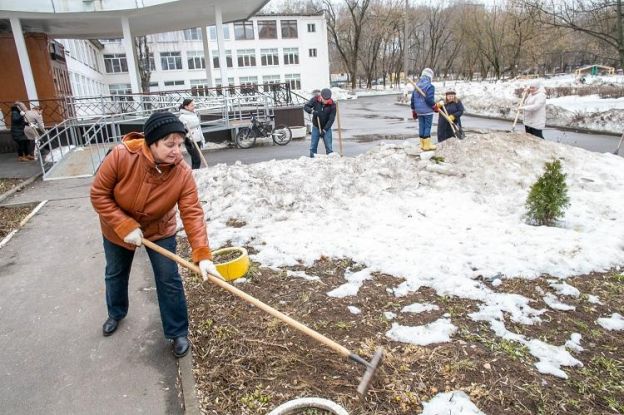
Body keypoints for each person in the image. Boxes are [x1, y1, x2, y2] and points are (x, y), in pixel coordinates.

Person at [90, 111, 222, 358]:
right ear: (152, 142)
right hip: (117, 229)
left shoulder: (182, 173)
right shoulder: (121, 156)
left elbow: (192, 213)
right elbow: (98, 194)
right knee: (116, 272)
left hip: (159, 229)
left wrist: (202, 254)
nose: (177, 151)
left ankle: (177, 332)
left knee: (168, 279)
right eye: (169, 144)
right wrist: (124, 225)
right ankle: (116, 312)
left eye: (180, 144)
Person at [304, 88, 336, 157]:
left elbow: (331, 119)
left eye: (328, 100)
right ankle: (312, 159)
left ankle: (331, 161)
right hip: (316, 127)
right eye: (325, 100)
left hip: (326, 128)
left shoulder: (332, 105)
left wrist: (324, 130)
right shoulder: (315, 100)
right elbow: (306, 107)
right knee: (313, 146)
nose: (326, 102)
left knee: (329, 147)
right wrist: (312, 111)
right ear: (321, 96)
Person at [411, 68, 438, 151]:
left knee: (421, 126)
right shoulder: (430, 86)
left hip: (419, 111)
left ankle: (422, 144)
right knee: (427, 127)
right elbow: (429, 99)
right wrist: (434, 106)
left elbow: (412, 99)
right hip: (427, 111)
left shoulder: (417, 85)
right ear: (430, 77)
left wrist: (414, 110)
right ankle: (427, 145)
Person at [178, 99, 203, 169]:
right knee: (197, 159)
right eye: (192, 105)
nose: (194, 106)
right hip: (190, 140)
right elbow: (181, 131)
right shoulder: (182, 117)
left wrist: (202, 138)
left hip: (197, 139)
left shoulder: (194, 114)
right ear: (186, 107)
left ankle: (193, 174)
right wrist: (185, 129)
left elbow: (198, 127)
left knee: (194, 160)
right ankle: (194, 174)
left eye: (194, 105)